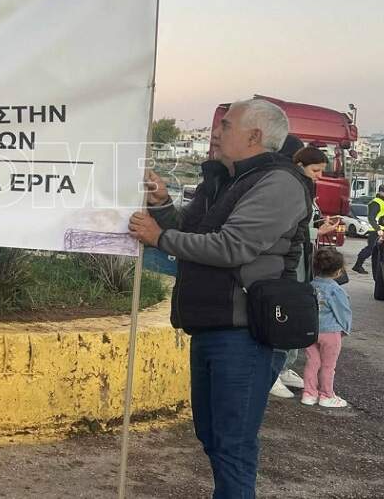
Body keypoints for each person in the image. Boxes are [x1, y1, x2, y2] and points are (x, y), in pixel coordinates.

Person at [128, 98, 309, 498]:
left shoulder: (278, 183)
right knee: (213, 437)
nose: (215, 132)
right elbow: (193, 232)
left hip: (244, 334)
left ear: (254, 136)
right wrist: (163, 204)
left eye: (226, 125)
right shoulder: (224, 179)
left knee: (233, 446)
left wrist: (160, 237)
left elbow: (232, 247)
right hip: (212, 325)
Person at [270, 145, 338, 399]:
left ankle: (284, 366)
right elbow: (286, 226)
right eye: (316, 170)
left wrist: (318, 229)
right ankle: (273, 372)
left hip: (302, 259)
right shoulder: (291, 189)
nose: (319, 176)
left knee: (296, 312)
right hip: (291, 260)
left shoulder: (306, 189)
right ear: (300, 166)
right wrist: (316, 231)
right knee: (286, 313)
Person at [301, 247, 353, 408]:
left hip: (310, 330)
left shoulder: (309, 286)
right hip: (330, 332)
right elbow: (343, 311)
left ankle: (309, 393)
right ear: (338, 271)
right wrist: (345, 329)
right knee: (328, 365)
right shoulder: (336, 290)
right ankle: (326, 395)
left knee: (312, 362)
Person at [351, 184, 384, 274]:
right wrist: (378, 229)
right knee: (371, 249)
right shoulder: (375, 202)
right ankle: (357, 266)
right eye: (383, 191)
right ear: (379, 192)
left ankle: (382, 269)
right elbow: (371, 217)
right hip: (376, 231)